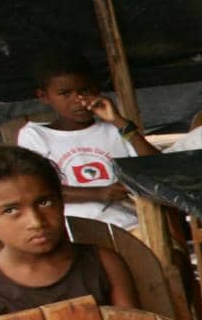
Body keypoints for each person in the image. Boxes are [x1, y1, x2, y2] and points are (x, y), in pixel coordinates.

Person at [16, 50, 156, 230]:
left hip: (130, 225)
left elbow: (158, 167)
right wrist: (99, 193)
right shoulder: (35, 135)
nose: (79, 101)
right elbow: (36, 188)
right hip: (76, 231)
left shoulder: (115, 130)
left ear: (97, 90)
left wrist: (119, 121)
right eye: (65, 93)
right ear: (44, 96)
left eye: (85, 90)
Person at [0, 145, 136, 314]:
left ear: (61, 202)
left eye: (44, 202)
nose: (36, 222)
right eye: (11, 210)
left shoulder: (104, 265)